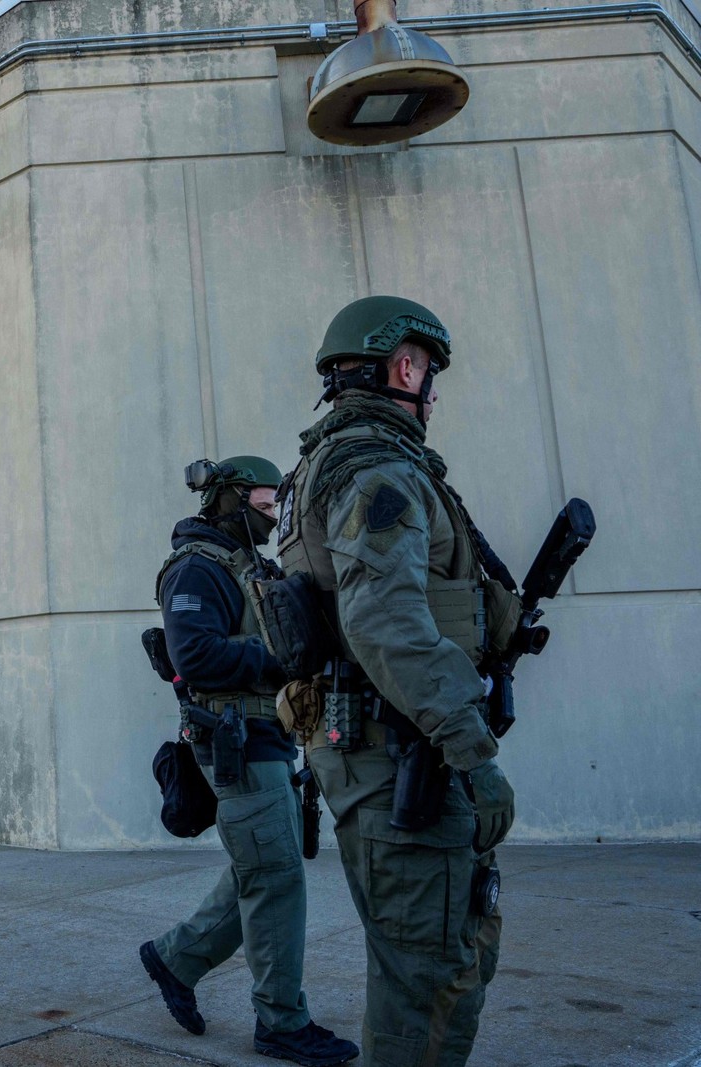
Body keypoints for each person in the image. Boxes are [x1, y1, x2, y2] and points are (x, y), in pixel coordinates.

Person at [273, 296, 516, 1065]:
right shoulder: (378, 471)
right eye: (430, 375)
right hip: (402, 758)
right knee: (433, 978)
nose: (433, 396)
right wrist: (473, 750)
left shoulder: (328, 466)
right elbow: (386, 622)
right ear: (404, 366)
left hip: (370, 751)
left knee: (412, 970)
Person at [139, 457, 359, 1066]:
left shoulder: (251, 567)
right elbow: (197, 655)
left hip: (267, 734)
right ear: (232, 499)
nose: (273, 514)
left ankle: (176, 958)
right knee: (276, 879)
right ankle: (281, 1022)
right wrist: (278, 653)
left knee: (260, 868)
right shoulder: (195, 569)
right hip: (233, 739)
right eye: (265, 503)